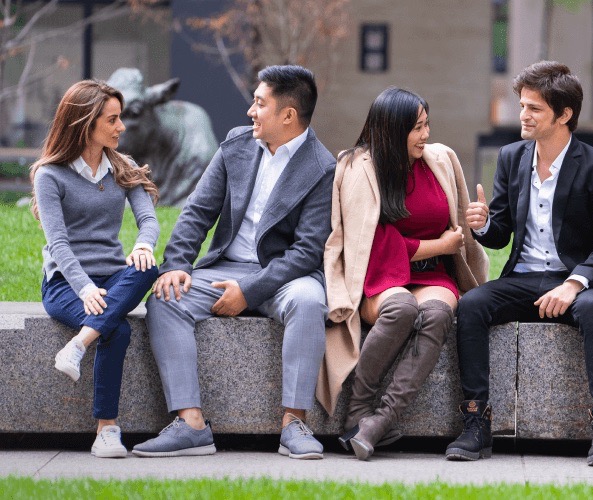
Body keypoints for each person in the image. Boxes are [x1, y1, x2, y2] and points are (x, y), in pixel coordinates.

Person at [132, 65, 336, 460]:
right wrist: (177, 264)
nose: (251, 111)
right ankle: (190, 424)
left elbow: (308, 251)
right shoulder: (236, 145)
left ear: (288, 116)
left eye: (260, 103)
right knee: (166, 297)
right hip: (225, 267)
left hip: (286, 276)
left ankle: (294, 424)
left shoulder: (322, 167)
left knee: (310, 301)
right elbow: (196, 212)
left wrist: (250, 291)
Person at [446, 61, 593, 466]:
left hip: (571, 280)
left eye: (534, 109)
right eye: (522, 105)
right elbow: (502, 232)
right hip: (523, 277)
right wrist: (483, 224)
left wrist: (573, 284)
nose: (522, 115)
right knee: (471, 305)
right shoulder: (512, 157)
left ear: (564, 115)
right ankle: (476, 422)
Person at [324, 87, 488, 460]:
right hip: (381, 275)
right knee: (402, 309)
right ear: (392, 129)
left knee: (437, 313)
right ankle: (358, 409)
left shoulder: (441, 159)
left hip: (434, 276)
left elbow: (460, 227)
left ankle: (379, 422)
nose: (426, 134)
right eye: (417, 127)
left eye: (427, 124)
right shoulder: (357, 166)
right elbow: (376, 240)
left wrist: (477, 224)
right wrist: (440, 246)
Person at [31, 79, 160, 458]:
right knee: (116, 329)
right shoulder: (50, 175)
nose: (122, 127)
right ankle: (107, 431)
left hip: (113, 278)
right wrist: (85, 288)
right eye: (113, 119)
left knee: (149, 267)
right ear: (85, 123)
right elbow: (58, 244)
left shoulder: (123, 166)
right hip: (66, 284)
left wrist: (142, 244)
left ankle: (78, 344)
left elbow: (149, 221)